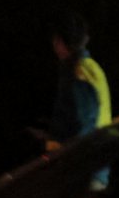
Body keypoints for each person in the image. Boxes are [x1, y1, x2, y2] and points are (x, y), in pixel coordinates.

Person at [45, 11, 111, 150]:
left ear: (60, 41)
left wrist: (61, 147)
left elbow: (84, 124)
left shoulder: (77, 72)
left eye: (55, 40)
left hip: (83, 157)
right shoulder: (92, 67)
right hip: (99, 152)